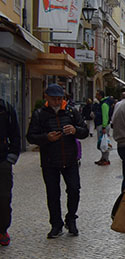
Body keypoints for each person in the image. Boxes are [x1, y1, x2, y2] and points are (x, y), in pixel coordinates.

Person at [26, 83, 89, 238]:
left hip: (70, 159)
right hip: (49, 161)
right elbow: (31, 136)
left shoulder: (71, 112)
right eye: (54, 98)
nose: (57, 101)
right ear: (46, 97)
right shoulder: (40, 114)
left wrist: (75, 131)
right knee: (53, 194)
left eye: (60, 98)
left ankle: (71, 219)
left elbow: (85, 131)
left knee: (74, 190)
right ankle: (56, 224)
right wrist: (46, 138)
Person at [0, 97, 21, 246]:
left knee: (4, 198)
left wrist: (10, 159)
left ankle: (2, 230)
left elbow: (15, 135)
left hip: (2, 161)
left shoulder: (5, 108)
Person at [93, 90, 112, 165]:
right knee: (101, 142)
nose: (96, 96)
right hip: (100, 124)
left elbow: (105, 116)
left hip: (102, 125)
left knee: (104, 142)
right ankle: (103, 157)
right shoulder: (102, 103)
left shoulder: (104, 104)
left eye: (97, 95)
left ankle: (106, 159)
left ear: (100, 96)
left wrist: (104, 126)